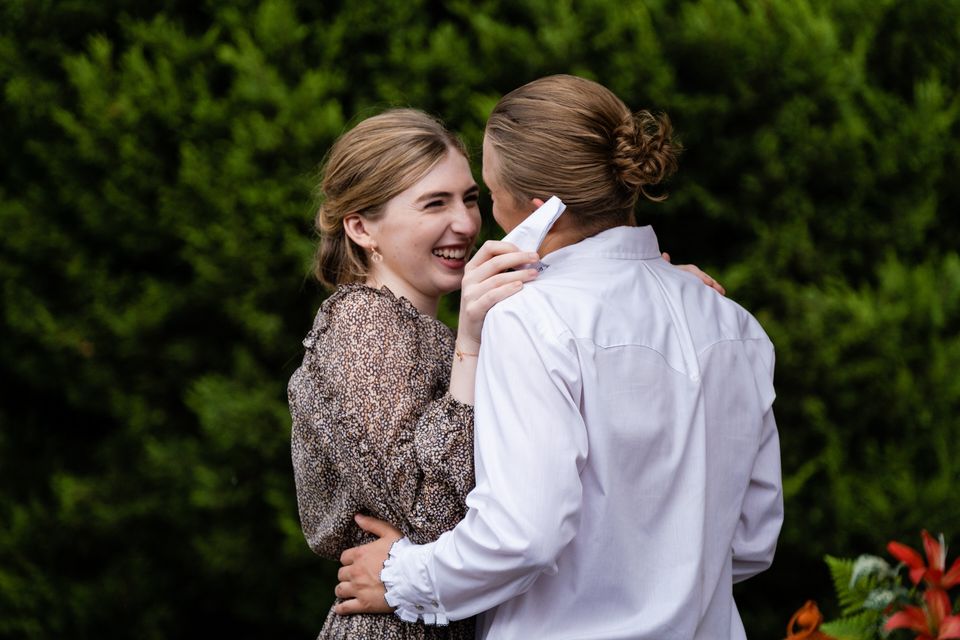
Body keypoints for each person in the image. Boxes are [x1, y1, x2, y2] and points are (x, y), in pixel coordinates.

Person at [334, 75, 784, 640]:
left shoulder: (531, 319)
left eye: (487, 195)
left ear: (537, 211)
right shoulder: (735, 325)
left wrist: (403, 577)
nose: (478, 222)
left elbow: (523, 534)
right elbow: (751, 539)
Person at [288, 108, 542, 639]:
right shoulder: (362, 323)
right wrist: (471, 342)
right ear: (360, 227)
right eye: (435, 204)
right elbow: (427, 513)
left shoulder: (426, 332)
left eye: (470, 198)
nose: (467, 224)